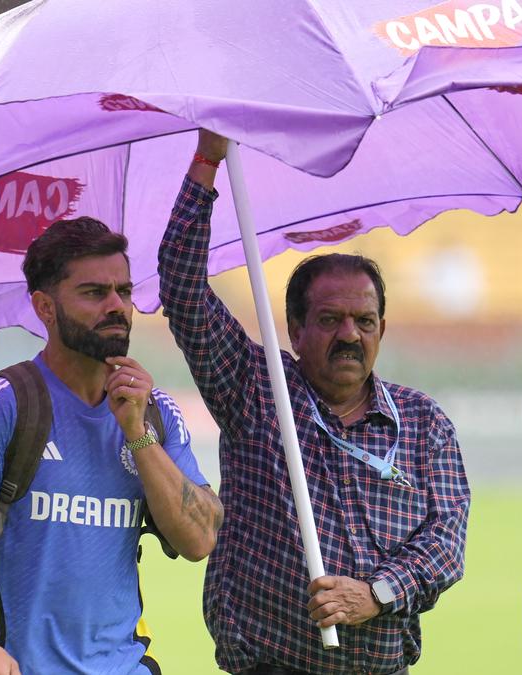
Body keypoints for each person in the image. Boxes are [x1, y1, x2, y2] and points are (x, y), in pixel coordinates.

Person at [158, 131, 470, 675]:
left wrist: (377, 592)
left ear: (382, 329)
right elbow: (182, 286)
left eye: (364, 321)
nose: (349, 334)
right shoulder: (254, 389)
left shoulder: (424, 424)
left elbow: (446, 540)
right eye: (330, 320)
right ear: (296, 330)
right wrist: (208, 160)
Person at [0, 217, 223, 674]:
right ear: (45, 308)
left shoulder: (155, 411)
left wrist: (137, 433)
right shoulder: (3, 405)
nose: (116, 306)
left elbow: (201, 539)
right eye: (94, 293)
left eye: (123, 292)